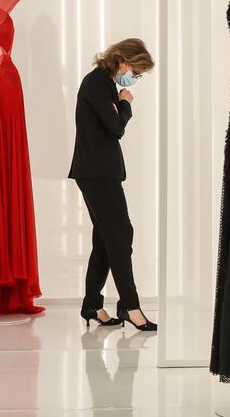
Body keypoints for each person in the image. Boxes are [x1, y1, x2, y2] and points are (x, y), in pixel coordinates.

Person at [69, 38, 158, 331]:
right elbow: (116, 127)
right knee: (120, 235)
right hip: (97, 173)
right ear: (122, 62)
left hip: (100, 171)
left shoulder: (103, 84)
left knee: (107, 239)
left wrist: (118, 102)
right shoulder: (97, 84)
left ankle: (92, 306)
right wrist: (125, 103)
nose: (136, 78)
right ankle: (130, 306)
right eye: (137, 71)